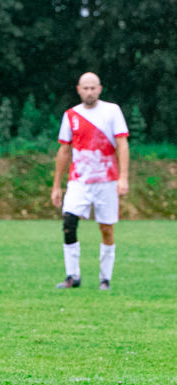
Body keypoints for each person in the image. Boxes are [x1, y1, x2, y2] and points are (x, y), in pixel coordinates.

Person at [51, 72, 129, 291]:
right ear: (78, 90)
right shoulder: (71, 115)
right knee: (69, 222)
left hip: (107, 180)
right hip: (79, 181)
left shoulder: (112, 111)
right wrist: (57, 185)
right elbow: (64, 150)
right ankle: (72, 276)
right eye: (85, 88)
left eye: (93, 88)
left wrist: (123, 177)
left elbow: (122, 144)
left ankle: (105, 278)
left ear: (100, 89)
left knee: (106, 228)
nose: (89, 92)